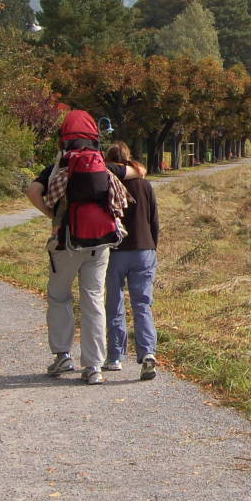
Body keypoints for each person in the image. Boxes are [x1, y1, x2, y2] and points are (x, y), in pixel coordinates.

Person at [24, 110, 145, 385]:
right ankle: (94, 367)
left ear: (63, 139)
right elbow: (138, 171)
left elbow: (33, 192)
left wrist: (53, 215)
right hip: (100, 242)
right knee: (93, 300)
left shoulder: (58, 168)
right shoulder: (102, 165)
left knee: (59, 297)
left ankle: (63, 355)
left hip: (66, 242)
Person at [101, 141, 160, 380]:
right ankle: (147, 353)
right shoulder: (145, 185)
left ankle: (115, 356)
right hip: (144, 248)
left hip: (116, 250)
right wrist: (153, 245)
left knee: (114, 303)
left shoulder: (106, 183)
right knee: (142, 304)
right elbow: (154, 219)